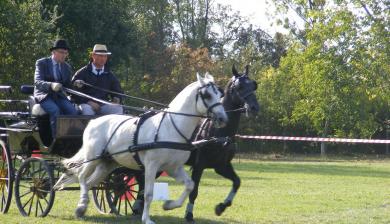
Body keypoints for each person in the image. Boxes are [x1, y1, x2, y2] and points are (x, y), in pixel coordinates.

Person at [34, 39, 78, 138]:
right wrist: (51, 85)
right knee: (55, 110)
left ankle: (71, 139)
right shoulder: (42, 63)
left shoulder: (66, 67)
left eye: (66, 53)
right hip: (44, 95)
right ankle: (57, 140)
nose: (64, 55)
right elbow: (37, 82)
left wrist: (76, 84)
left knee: (73, 112)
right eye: (61, 52)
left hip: (59, 96)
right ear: (53, 52)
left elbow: (68, 86)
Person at [72, 44, 123, 115]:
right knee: (87, 112)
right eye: (100, 56)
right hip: (86, 105)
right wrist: (88, 102)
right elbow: (74, 93)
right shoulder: (82, 73)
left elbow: (118, 91)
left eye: (105, 56)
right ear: (93, 56)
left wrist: (116, 99)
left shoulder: (109, 75)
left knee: (118, 109)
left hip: (103, 105)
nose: (103, 59)